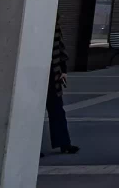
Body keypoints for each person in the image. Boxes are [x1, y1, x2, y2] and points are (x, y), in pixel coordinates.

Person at [45, 14, 79, 156]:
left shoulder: (53, 25)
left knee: (57, 109)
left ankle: (64, 143)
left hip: (52, 73)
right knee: (30, 111)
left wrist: (63, 70)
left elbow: (60, 47)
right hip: (33, 72)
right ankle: (28, 146)